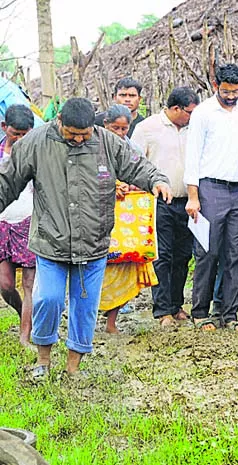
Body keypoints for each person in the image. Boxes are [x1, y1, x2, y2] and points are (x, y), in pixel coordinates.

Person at [0, 97, 171, 379]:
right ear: (59, 124)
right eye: (72, 134)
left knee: (85, 307)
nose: (79, 139)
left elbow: (137, 166)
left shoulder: (107, 142)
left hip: (93, 241)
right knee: (48, 300)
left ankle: (73, 368)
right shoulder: (36, 143)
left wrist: (157, 180)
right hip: (51, 240)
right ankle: (43, 360)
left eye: (84, 134)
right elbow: (7, 181)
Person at [184, 63, 238, 332]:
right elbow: (192, 155)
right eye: (226, 91)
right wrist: (193, 196)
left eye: (235, 91)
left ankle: (229, 313)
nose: (230, 95)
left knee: (236, 253)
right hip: (210, 188)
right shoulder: (203, 113)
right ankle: (201, 312)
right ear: (216, 86)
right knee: (207, 251)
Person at [132, 87, 199, 327]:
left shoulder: (195, 128)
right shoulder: (147, 128)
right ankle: (162, 310)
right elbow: (134, 163)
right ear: (174, 109)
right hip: (158, 201)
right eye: (188, 112)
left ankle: (176, 304)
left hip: (189, 200)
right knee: (163, 255)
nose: (192, 116)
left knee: (183, 255)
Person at [98, 104, 161, 334]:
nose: (120, 133)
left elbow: (141, 172)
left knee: (126, 266)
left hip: (128, 220)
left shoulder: (131, 148)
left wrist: (135, 185)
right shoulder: (92, 147)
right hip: (98, 217)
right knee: (98, 268)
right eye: (115, 128)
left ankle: (111, 322)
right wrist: (110, 186)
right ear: (105, 125)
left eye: (124, 129)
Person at [0, 105, 36, 346]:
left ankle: (26, 336)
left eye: (26, 134)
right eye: (16, 134)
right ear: (5, 128)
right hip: (3, 223)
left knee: (30, 284)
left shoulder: (38, 153)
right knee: (5, 285)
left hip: (31, 221)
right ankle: (23, 311)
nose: (21, 139)